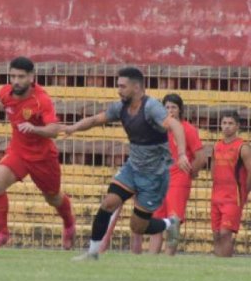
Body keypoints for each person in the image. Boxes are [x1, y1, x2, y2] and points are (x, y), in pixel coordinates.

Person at [64, 67, 191, 261]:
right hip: (132, 168)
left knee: (137, 227)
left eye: (122, 86)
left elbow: (174, 125)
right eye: (118, 86)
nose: (119, 90)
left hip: (154, 175)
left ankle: (170, 223)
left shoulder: (151, 107)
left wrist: (181, 154)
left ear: (136, 87)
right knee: (108, 204)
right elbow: (97, 119)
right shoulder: (120, 107)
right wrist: (72, 128)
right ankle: (92, 253)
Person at [0, 56, 76, 251]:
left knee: (53, 198)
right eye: (13, 76)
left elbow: (54, 129)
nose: (16, 81)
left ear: (31, 77)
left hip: (43, 157)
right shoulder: (4, 93)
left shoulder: (41, 100)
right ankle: (2, 233)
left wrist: (34, 129)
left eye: (21, 77)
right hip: (18, 152)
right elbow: (9, 107)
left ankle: (69, 224)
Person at [130, 93, 206, 255]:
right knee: (156, 220)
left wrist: (190, 173)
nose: (170, 110)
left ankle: (169, 257)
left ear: (180, 110)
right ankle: (153, 258)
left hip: (178, 179)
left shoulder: (188, 130)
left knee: (173, 220)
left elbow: (201, 157)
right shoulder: (157, 128)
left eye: (174, 107)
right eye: (167, 107)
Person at [210, 111, 251, 257]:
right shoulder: (216, 146)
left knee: (225, 233)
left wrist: (244, 193)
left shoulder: (243, 147)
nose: (227, 127)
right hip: (216, 196)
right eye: (224, 123)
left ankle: (226, 265)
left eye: (230, 123)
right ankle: (217, 268)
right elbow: (213, 169)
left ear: (238, 126)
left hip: (233, 198)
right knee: (215, 234)